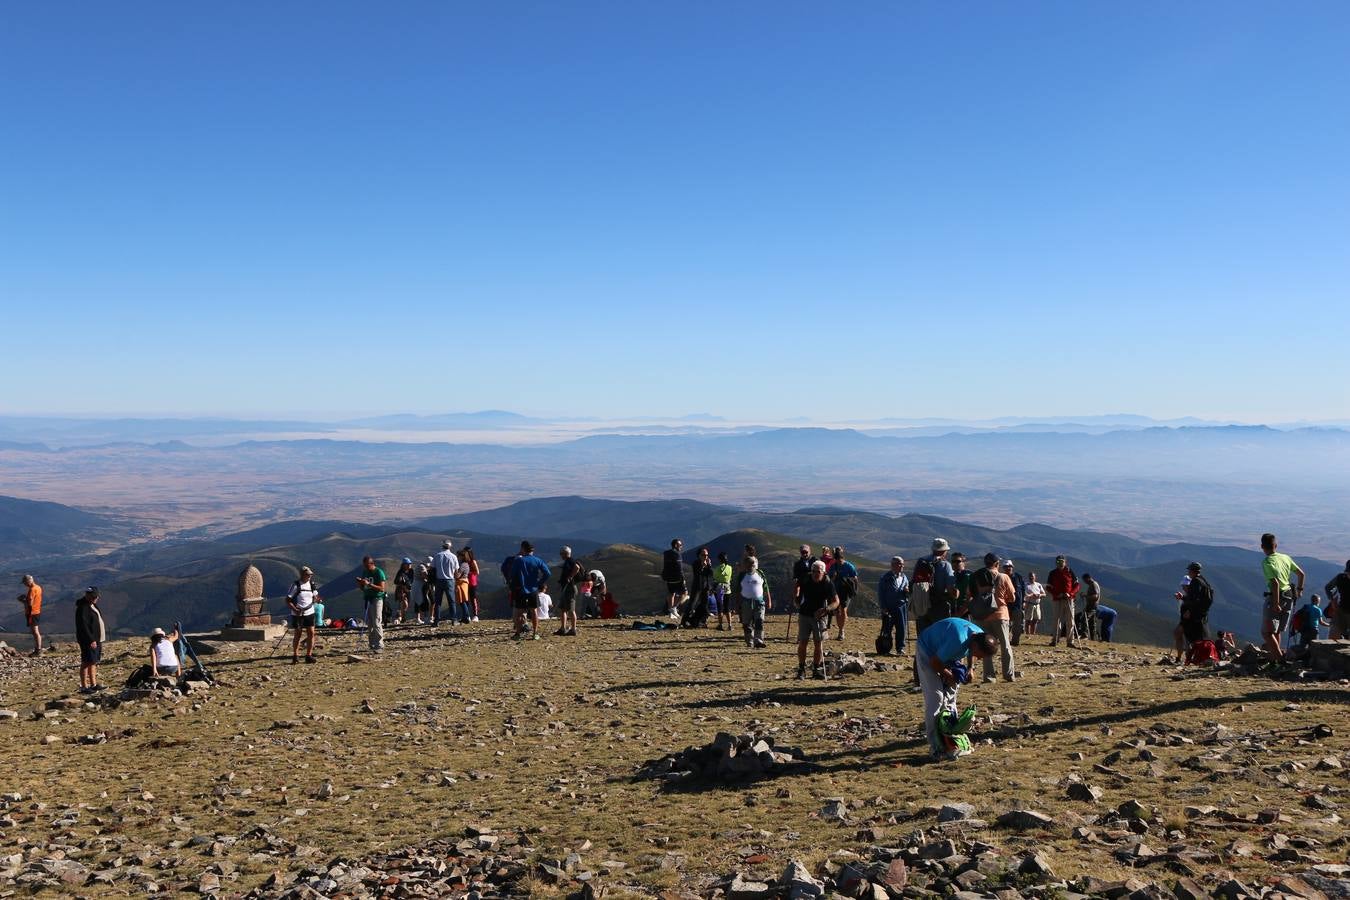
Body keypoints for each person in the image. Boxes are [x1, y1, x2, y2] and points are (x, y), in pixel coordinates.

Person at [916, 617, 996, 761]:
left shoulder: (978, 636)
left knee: (951, 697)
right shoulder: (958, 640)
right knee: (936, 698)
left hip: (948, 654)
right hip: (928, 650)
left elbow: (972, 651)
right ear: (976, 646)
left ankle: (951, 737)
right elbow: (935, 662)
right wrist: (948, 675)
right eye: (980, 655)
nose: (979, 657)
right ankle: (935, 746)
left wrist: (970, 668)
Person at [969, 553, 1016, 683]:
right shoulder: (1003, 576)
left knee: (986, 645)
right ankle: (1008, 674)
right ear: (996, 564)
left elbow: (970, 594)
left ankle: (989, 677)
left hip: (982, 616)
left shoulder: (977, 576)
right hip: (1001, 614)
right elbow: (1012, 597)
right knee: (1005, 645)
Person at [1261, 532, 1305, 664]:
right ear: (1276, 545)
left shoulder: (1267, 562)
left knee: (1266, 633)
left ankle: (1280, 661)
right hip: (1289, 596)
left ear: (1262, 546)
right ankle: (1275, 658)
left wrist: (1275, 603)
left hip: (1277, 596)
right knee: (1277, 630)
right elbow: (1301, 574)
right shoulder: (1285, 557)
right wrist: (1299, 590)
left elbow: (1274, 583)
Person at [794, 560, 838, 679]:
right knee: (803, 642)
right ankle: (801, 668)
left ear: (823, 572)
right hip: (804, 614)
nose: (815, 574)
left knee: (818, 643)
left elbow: (836, 602)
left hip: (820, 616)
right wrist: (796, 597)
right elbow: (797, 585)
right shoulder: (805, 579)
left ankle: (816, 669)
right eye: (813, 571)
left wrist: (826, 609)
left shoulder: (828, 583)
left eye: (818, 572)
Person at [506, 540, 551, 640]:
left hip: (520, 589)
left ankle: (518, 633)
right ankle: (535, 633)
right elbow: (547, 573)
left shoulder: (519, 561)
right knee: (534, 611)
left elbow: (512, 575)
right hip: (533, 589)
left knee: (519, 612)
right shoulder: (537, 560)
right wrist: (539, 583)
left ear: (523, 549)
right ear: (532, 550)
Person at [1172, 562, 1213, 664]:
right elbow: (1195, 598)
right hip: (1199, 615)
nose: (1188, 572)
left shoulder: (1196, 582)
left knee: (1187, 636)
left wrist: (1189, 610)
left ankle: (1186, 659)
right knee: (1184, 635)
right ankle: (1186, 658)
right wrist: (1183, 597)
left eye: (1189, 570)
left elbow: (1195, 599)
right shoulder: (1203, 581)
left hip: (1192, 615)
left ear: (1192, 571)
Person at [286, 565, 321, 664]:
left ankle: (308, 655)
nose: (309, 576)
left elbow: (315, 595)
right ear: (302, 574)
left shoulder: (312, 584)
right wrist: (295, 609)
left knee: (311, 633)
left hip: (309, 612)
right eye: (307, 575)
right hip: (298, 613)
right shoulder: (296, 585)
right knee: (298, 634)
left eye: (310, 575)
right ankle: (295, 655)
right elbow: (288, 600)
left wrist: (316, 599)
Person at [74, 587, 105, 693]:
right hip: (89, 640)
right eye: (93, 596)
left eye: (96, 596)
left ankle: (93, 684)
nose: (96, 598)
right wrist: (91, 639)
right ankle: (84, 686)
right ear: (87, 596)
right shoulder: (83, 608)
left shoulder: (91, 605)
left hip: (97, 639)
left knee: (93, 661)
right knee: (86, 661)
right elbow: (83, 626)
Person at [876, 556, 909, 655]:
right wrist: (883, 607)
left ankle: (900, 648)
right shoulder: (886, 578)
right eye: (900, 564)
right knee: (887, 628)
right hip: (889, 607)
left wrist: (907, 591)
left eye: (902, 564)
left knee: (901, 628)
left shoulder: (904, 577)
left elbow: (907, 591)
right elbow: (881, 593)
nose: (902, 566)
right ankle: (885, 648)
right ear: (893, 565)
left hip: (901, 606)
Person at [1047, 555, 1080, 648]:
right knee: (1056, 620)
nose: (1060, 563)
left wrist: (1071, 594)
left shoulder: (1070, 571)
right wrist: (1057, 594)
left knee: (1070, 621)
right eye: (1058, 562)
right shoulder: (1052, 573)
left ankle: (1070, 641)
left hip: (1069, 599)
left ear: (1065, 562)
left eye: (1062, 561)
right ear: (1056, 563)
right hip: (1057, 599)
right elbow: (1048, 587)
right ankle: (1055, 640)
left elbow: (1077, 585)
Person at [356, 556, 387, 652]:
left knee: (376, 621)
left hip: (377, 598)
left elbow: (382, 588)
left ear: (371, 563)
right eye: (364, 565)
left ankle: (379, 644)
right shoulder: (365, 572)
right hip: (368, 598)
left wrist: (369, 584)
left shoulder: (379, 572)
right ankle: (372, 643)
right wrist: (361, 583)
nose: (365, 567)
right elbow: (363, 588)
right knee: (370, 622)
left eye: (366, 565)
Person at [829, 546, 859, 640]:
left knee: (843, 610)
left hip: (845, 591)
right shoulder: (834, 566)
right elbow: (830, 579)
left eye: (839, 559)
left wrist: (855, 590)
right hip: (836, 590)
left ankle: (841, 630)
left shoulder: (849, 566)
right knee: (837, 611)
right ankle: (840, 629)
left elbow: (855, 578)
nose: (838, 561)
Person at [739, 555, 768, 649]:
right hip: (745, 602)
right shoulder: (741, 575)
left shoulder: (760, 573)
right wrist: (736, 603)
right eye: (748, 564)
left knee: (759, 621)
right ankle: (749, 641)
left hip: (759, 602)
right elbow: (737, 589)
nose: (750, 566)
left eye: (752, 564)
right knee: (747, 623)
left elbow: (765, 587)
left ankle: (758, 640)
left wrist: (769, 599)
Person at [682, 547, 715, 629]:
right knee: (692, 604)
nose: (706, 557)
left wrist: (709, 565)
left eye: (707, 555)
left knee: (704, 605)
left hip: (706, 587)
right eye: (703, 555)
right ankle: (684, 621)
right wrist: (703, 566)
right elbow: (697, 573)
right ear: (699, 555)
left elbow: (710, 574)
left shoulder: (707, 563)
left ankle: (700, 621)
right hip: (697, 586)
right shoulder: (696, 563)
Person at [555, 546, 584, 636]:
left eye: (561, 553)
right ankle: (563, 628)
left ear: (565, 553)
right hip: (566, 587)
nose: (560, 555)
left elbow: (577, 567)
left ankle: (573, 629)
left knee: (571, 610)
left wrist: (571, 576)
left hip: (570, 588)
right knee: (563, 609)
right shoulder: (567, 561)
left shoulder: (570, 560)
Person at [16, 575, 43, 657]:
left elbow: (29, 604)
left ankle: (38, 650)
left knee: (35, 632)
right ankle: (38, 649)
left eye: (24, 582)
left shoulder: (32, 590)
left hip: (32, 613)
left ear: (28, 581)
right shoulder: (38, 587)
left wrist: (22, 600)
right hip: (37, 611)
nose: (24, 584)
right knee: (35, 631)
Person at [1323, 560, 1350, 640]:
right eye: (1348, 573)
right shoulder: (1340, 578)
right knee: (1333, 636)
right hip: (1340, 611)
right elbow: (1328, 587)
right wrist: (1332, 600)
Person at [433, 540, 457, 626]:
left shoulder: (437, 556)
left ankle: (436, 621)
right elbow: (456, 570)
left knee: (438, 601)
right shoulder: (453, 557)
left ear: (442, 546)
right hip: (450, 580)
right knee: (451, 601)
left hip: (439, 580)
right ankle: (454, 620)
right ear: (450, 547)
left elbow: (433, 568)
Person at [1003, 560, 1026, 646]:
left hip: (1017, 604)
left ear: (1012, 567)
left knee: (1017, 624)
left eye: (1009, 566)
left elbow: (1023, 590)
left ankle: (1015, 641)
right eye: (1006, 567)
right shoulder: (1002, 578)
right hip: (1006, 605)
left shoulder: (1018, 577)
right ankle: (1005, 640)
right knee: (1006, 624)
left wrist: (1023, 601)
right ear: (1003, 568)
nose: (1008, 568)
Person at [662, 539, 685, 619]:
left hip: (668, 577)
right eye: (680, 545)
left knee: (671, 594)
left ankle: (671, 614)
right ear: (675, 545)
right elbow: (680, 567)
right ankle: (674, 608)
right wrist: (683, 578)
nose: (681, 547)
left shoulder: (667, 554)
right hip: (677, 578)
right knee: (684, 593)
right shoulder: (677, 554)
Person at [791, 545, 817, 615]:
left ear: (809, 552)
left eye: (806, 552)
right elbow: (795, 575)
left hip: (815, 584)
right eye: (803, 552)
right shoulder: (798, 564)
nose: (805, 554)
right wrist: (795, 579)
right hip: (803, 584)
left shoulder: (816, 561)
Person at [712, 551, 735, 630]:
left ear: (719, 559)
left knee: (720, 607)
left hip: (719, 589)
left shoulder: (717, 569)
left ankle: (721, 624)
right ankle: (730, 625)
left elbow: (715, 577)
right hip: (727, 588)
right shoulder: (730, 568)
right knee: (727, 607)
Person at [393, 558, 415, 625]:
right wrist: (402, 585)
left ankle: (402, 617)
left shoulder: (411, 571)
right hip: (401, 590)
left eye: (410, 564)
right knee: (404, 603)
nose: (409, 565)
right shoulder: (400, 572)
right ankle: (399, 617)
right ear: (404, 565)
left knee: (406, 605)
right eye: (408, 564)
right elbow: (396, 581)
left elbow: (412, 580)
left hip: (408, 589)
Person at [1081, 573, 1102, 641]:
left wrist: (1085, 596)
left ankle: (1085, 635)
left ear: (1088, 578)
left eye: (1085, 580)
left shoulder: (1093, 585)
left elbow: (1095, 596)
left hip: (1092, 606)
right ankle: (1093, 638)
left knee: (1084, 618)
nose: (1085, 582)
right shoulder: (1093, 584)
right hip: (1093, 606)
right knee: (1092, 623)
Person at [951, 553, 973, 619]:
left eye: (958, 561)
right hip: (953, 612)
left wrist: (958, 615)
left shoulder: (968, 577)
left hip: (965, 613)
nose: (955, 563)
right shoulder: (952, 576)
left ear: (964, 563)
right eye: (953, 561)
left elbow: (970, 599)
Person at [1023, 571, 1045, 637]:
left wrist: (1039, 595)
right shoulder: (1026, 585)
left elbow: (1044, 594)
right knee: (1028, 620)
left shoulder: (1038, 585)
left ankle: (1033, 633)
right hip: (1029, 604)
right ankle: (1028, 634)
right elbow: (1025, 594)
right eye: (1030, 576)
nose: (1031, 577)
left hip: (1037, 604)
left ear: (1035, 577)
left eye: (1032, 576)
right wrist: (1031, 595)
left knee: (1036, 619)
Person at [455, 551, 473, 624]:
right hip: (464, 582)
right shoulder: (466, 564)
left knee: (462, 601)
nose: (457, 557)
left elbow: (458, 575)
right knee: (464, 600)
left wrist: (454, 572)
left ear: (462, 556)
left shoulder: (462, 565)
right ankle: (465, 617)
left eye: (458, 556)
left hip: (461, 583)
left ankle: (466, 616)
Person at [464, 547, 481, 622]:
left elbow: (477, 572)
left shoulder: (473, 561)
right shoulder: (464, 562)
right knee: (466, 599)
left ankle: (475, 615)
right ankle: (467, 615)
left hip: (472, 581)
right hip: (465, 581)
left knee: (473, 598)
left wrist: (468, 573)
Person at [417, 557, 435, 624]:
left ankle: (430, 617)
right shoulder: (422, 567)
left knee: (432, 600)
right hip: (424, 586)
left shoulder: (426, 567)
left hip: (428, 585)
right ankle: (426, 618)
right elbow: (425, 576)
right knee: (426, 601)